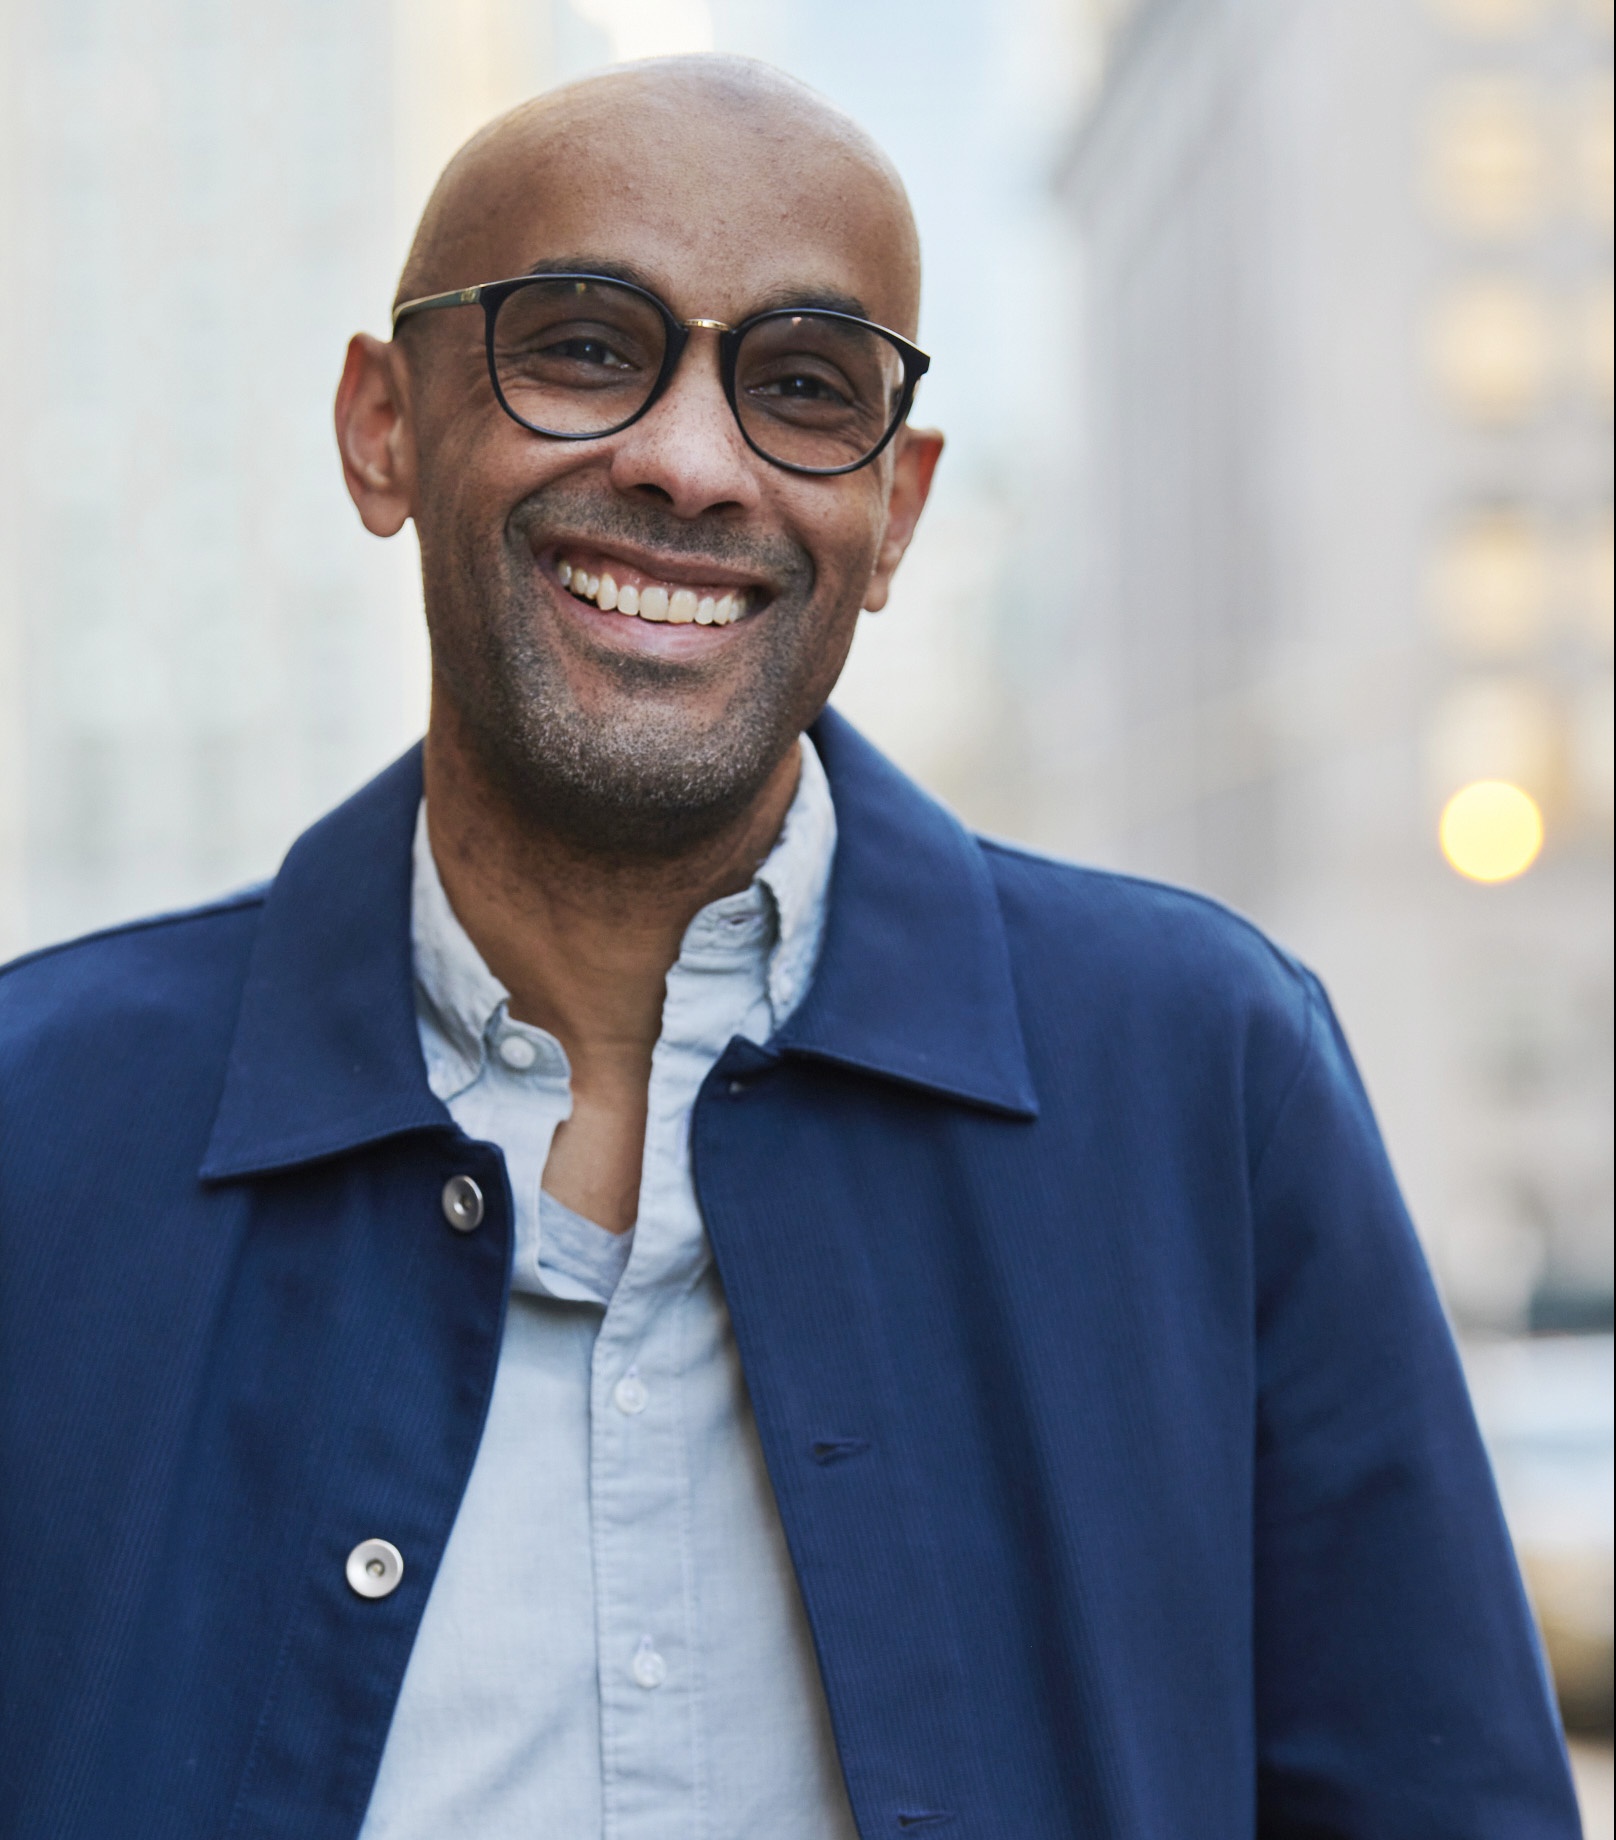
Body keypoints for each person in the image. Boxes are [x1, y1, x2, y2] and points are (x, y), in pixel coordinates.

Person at [0, 54, 1580, 1840]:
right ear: (385, 424)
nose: (687, 462)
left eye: (804, 387)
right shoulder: (35, 1123)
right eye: (583, 345)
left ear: (896, 512)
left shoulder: (1209, 1078)